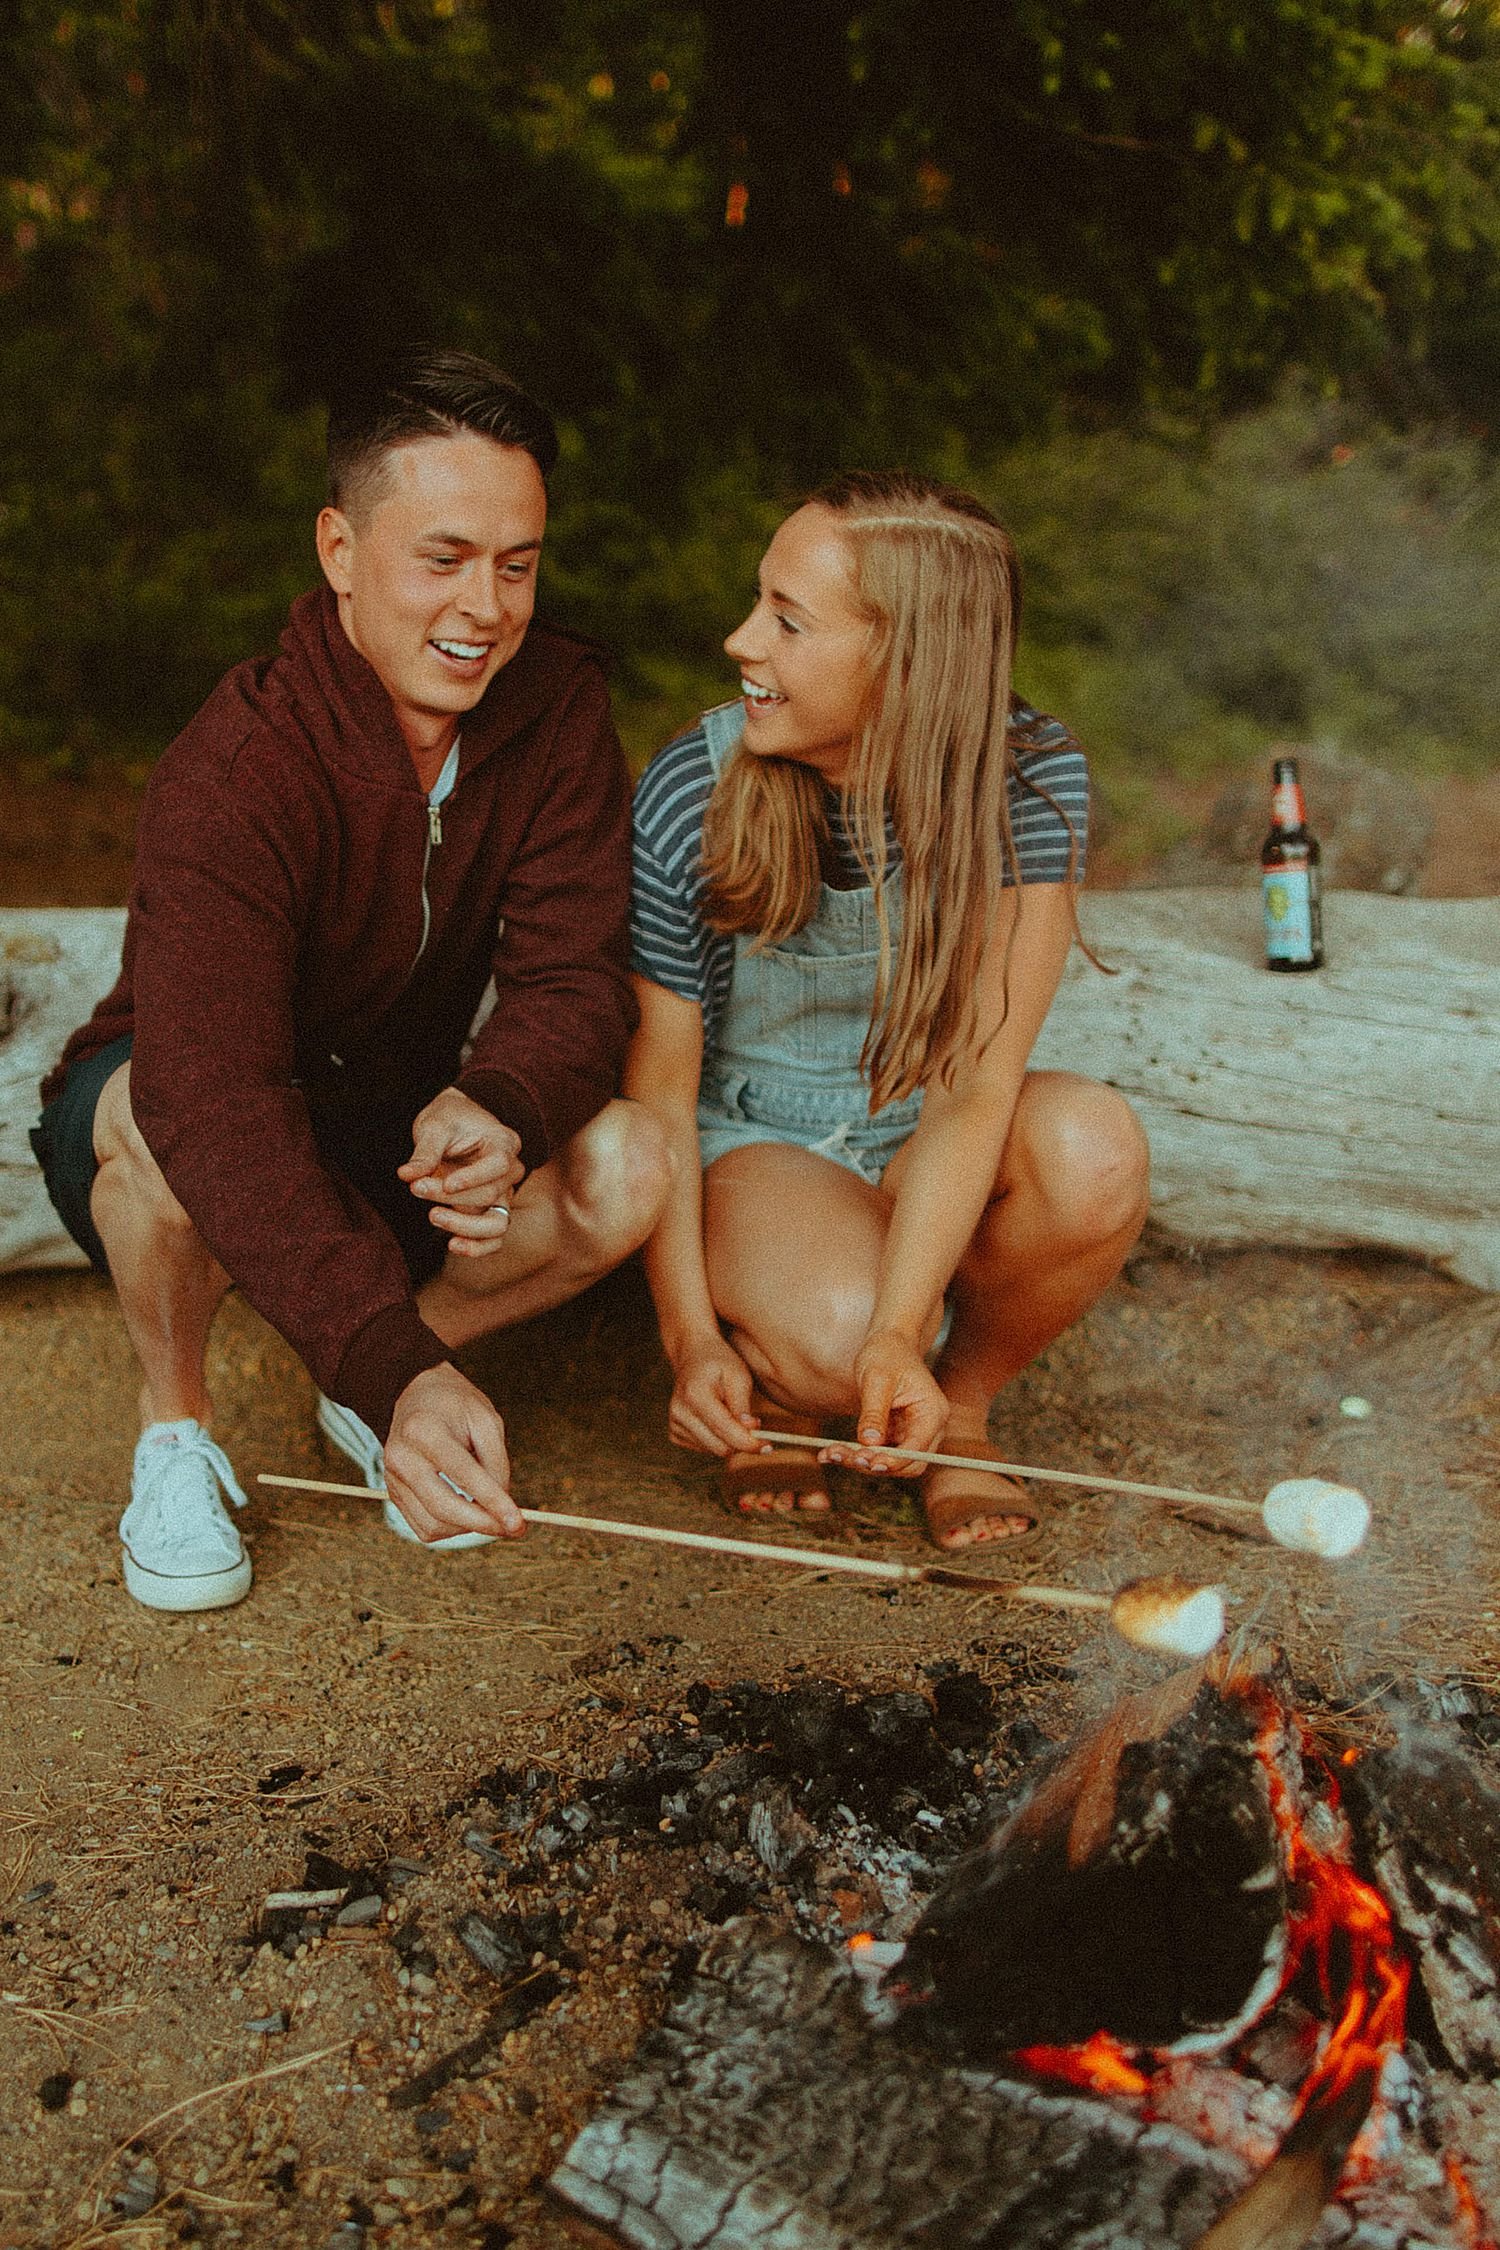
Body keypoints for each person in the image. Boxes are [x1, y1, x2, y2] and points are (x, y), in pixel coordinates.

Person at [32, 345, 669, 1612]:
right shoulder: (239, 765)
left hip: (384, 1117)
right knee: (154, 1116)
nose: (483, 608)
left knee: (632, 1162)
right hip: (175, 1105)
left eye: (516, 564)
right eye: (441, 559)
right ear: (338, 550)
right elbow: (213, 1096)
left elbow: (579, 978)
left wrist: (503, 1100)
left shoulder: (556, 716)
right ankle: (178, 1437)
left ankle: (364, 1381)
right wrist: (397, 1360)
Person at [624, 471, 1150, 1549]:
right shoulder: (696, 785)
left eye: (787, 620)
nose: (740, 640)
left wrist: (900, 1334)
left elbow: (976, 1089)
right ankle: (784, 1372)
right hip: (757, 1135)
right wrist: (690, 1343)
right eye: (757, 602)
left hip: (923, 1123)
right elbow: (659, 1102)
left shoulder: (1031, 781)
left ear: (900, 660)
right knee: (831, 1339)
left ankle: (955, 1405)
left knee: (1094, 1151)